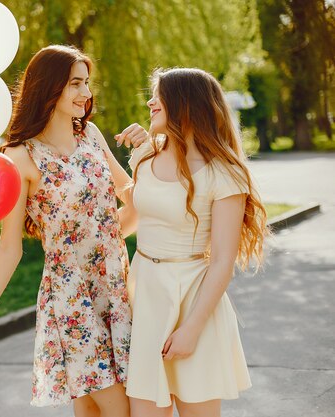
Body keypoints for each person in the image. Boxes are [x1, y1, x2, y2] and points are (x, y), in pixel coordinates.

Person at [0, 44, 147, 417]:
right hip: (71, 300)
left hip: (115, 288)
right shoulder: (21, 157)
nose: (86, 94)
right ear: (48, 88)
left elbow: (132, 201)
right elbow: (9, 249)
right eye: (75, 84)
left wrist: (149, 156)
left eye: (87, 84)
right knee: (122, 409)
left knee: (92, 409)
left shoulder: (91, 136)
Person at [114, 67, 269, 417]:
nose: (151, 102)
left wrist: (191, 330)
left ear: (184, 104)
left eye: (159, 96)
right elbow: (133, 214)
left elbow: (222, 261)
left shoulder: (225, 174)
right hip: (144, 294)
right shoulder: (145, 156)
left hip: (193, 300)